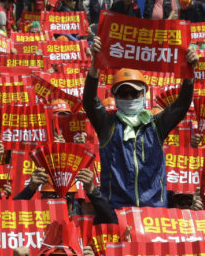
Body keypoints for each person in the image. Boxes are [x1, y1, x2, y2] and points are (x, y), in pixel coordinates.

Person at [83, 35, 198, 209]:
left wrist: (189, 74)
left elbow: (181, 106)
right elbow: (90, 102)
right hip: (117, 209)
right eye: (123, 93)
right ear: (115, 96)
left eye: (134, 93)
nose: (129, 97)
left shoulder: (156, 124)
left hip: (154, 211)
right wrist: (95, 65)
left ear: (143, 94)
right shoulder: (108, 125)